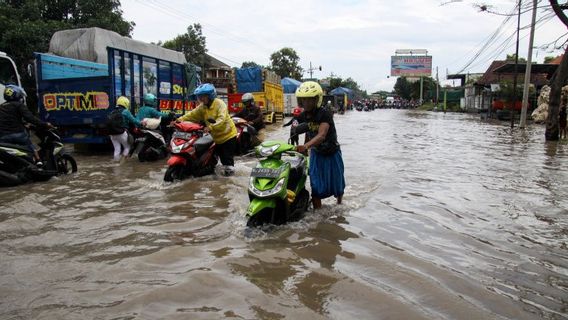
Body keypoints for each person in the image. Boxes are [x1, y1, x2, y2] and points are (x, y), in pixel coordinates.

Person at [295, 81, 345, 209]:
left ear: (317, 99)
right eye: (304, 100)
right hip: (317, 154)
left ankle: (340, 205)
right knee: (315, 185)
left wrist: (306, 146)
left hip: (332, 152)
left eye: (310, 100)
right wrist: (294, 131)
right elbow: (301, 128)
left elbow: (321, 135)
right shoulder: (303, 115)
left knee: (337, 184)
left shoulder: (325, 114)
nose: (306, 103)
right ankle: (318, 214)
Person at [176, 83, 237, 176]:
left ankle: (229, 179)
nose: (200, 99)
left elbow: (222, 119)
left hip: (228, 137)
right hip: (216, 137)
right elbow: (192, 114)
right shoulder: (203, 107)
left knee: (227, 162)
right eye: (199, 96)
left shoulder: (220, 104)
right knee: (210, 158)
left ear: (210, 96)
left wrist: (210, 127)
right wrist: (179, 120)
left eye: (202, 96)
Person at [0, 85, 52, 165]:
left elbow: (9, 119)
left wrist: (24, 123)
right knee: (31, 146)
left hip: (3, 136)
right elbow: (30, 118)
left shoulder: (1, 107)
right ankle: (38, 161)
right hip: (18, 134)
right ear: (17, 95)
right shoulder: (19, 105)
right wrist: (44, 124)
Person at [108, 96, 142, 162]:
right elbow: (134, 120)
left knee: (117, 149)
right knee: (127, 147)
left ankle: (116, 163)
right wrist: (141, 124)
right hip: (121, 133)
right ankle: (122, 162)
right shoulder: (126, 111)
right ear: (126, 103)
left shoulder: (112, 112)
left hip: (112, 134)